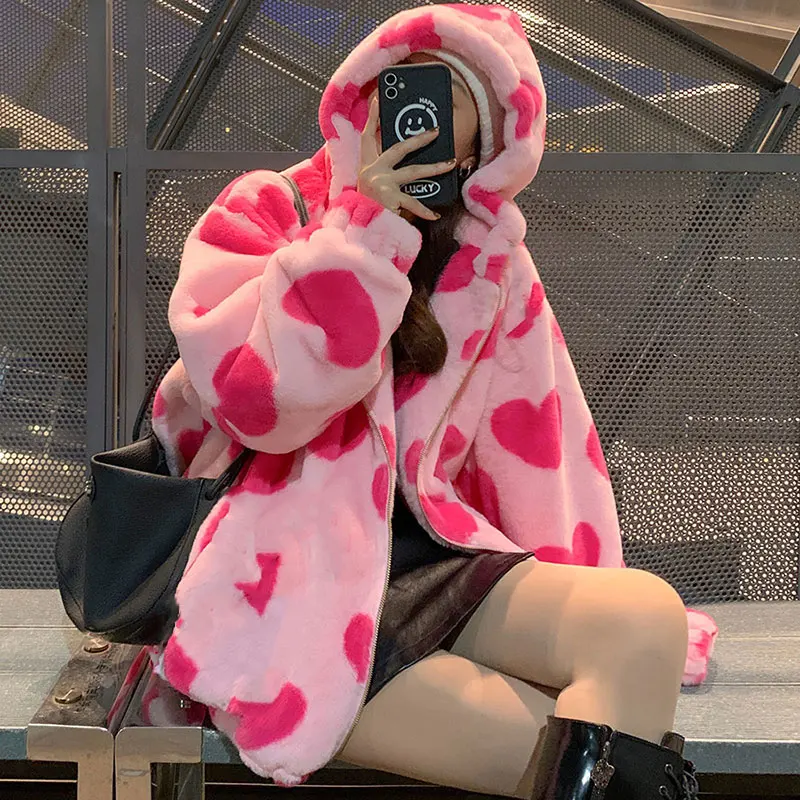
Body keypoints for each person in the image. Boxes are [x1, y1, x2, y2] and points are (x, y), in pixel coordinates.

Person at [150, 4, 717, 798]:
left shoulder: (489, 259)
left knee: (642, 620)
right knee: (595, 762)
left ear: (489, 136)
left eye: (452, 96)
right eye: (404, 83)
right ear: (365, 91)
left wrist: (580, 584)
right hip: (287, 583)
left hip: (437, 562)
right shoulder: (271, 208)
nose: (416, 112)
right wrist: (360, 234)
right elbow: (260, 410)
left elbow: (541, 452)